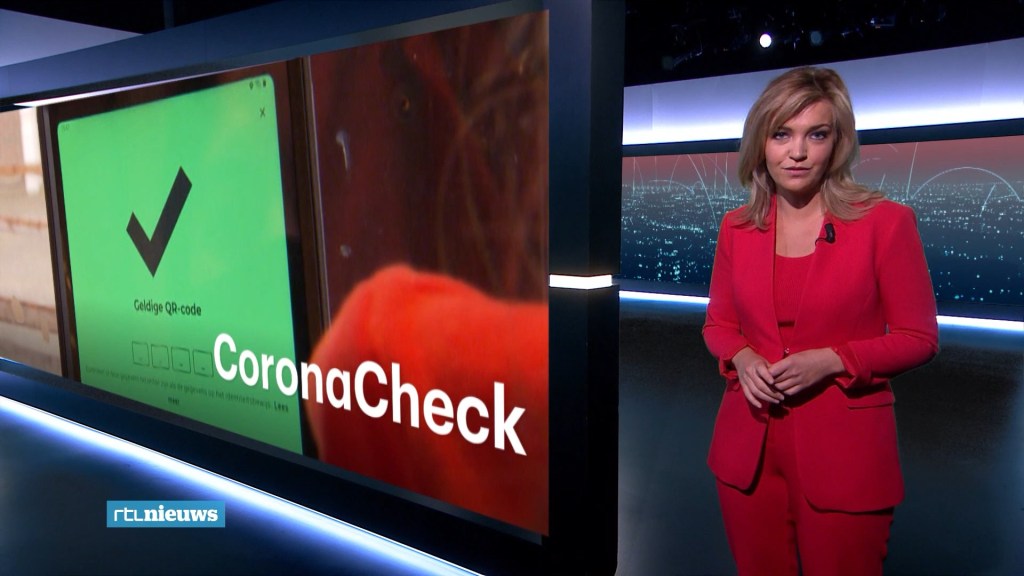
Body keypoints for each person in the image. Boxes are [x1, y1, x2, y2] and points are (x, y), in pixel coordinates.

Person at [702, 66, 939, 576]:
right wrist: (741, 357)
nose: (798, 152)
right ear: (760, 142)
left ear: (837, 143)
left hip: (845, 454)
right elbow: (718, 324)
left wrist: (834, 360)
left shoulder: (886, 223)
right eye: (781, 134)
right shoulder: (736, 227)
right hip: (749, 450)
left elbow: (918, 337)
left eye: (816, 134)